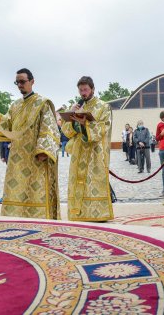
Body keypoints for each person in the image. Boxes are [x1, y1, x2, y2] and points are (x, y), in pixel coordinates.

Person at [0, 68, 61, 219]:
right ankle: (17, 218)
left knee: (36, 189)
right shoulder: (15, 105)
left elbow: (49, 128)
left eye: (22, 81)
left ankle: (40, 220)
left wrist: (43, 150)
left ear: (32, 82)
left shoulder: (42, 103)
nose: (19, 85)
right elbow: (8, 125)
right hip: (17, 156)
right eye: (17, 82)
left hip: (35, 155)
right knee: (17, 189)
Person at [61, 76, 113, 221]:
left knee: (93, 182)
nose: (83, 93)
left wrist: (86, 125)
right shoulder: (77, 106)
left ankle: (97, 214)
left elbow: (104, 128)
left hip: (94, 152)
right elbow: (67, 132)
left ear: (92, 89)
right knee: (77, 182)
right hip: (78, 151)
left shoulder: (103, 106)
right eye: (81, 90)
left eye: (85, 90)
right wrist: (71, 116)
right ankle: (78, 213)